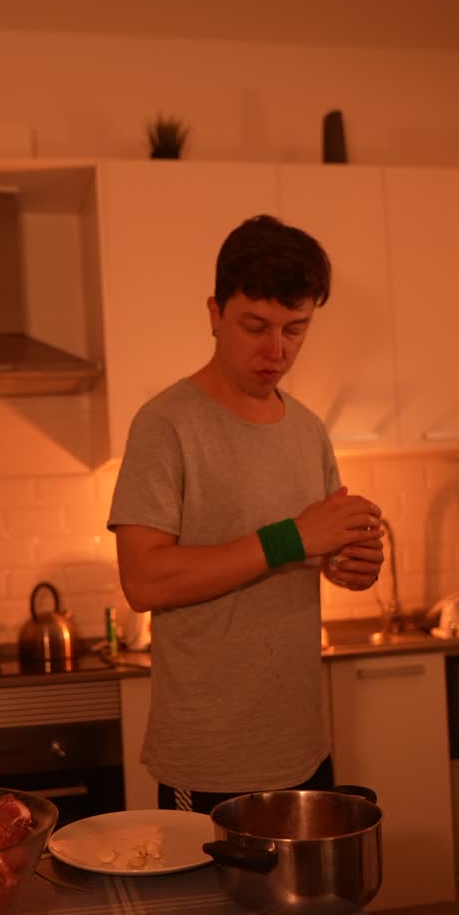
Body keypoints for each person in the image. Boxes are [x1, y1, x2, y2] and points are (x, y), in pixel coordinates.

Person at [107, 214, 384, 814]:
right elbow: (144, 580)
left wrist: (351, 561)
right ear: (214, 312)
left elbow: (324, 550)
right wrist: (294, 536)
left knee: (301, 910)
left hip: (303, 746)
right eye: (255, 326)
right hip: (209, 758)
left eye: (295, 329)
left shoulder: (309, 430)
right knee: (208, 911)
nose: (276, 350)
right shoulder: (166, 425)